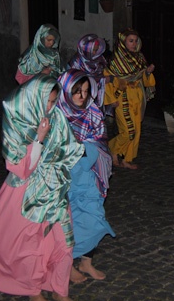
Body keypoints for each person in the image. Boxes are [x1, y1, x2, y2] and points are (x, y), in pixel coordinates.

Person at [0, 74, 84, 301]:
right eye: (47, 101)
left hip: (54, 188)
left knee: (65, 241)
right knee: (32, 246)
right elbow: (20, 168)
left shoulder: (56, 117)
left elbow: (68, 149)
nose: (50, 107)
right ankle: (33, 291)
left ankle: (60, 289)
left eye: (54, 101)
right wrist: (39, 139)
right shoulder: (19, 122)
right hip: (26, 194)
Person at [56, 69, 115, 283]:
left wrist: (85, 148)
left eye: (86, 90)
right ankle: (67, 263)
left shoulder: (93, 111)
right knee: (69, 221)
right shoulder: (57, 115)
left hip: (91, 175)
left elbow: (99, 140)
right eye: (77, 91)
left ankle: (86, 262)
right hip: (66, 178)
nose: (83, 96)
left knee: (94, 216)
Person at [104, 28, 155, 170]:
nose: (134, 44)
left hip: (137, 96)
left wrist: (147, 73)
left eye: (135, 41)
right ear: (123, 42)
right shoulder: (114, 60)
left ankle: (127, 159)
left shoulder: (139, 58)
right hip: (122, 97)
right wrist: (111, 99)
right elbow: (107, 81)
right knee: (127, 131)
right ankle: (111, 148)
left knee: (136, 131)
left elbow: (144, 79)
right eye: (130, 41)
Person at [68, 34, 109, 110]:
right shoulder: (77, 61)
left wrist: (102, 79)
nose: (95, 53)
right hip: (81, 94)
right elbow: (73, 80)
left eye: (96, 50)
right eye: (93, 50)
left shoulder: (99, 60)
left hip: (96, 94)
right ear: (86, 49)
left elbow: (101, 74)